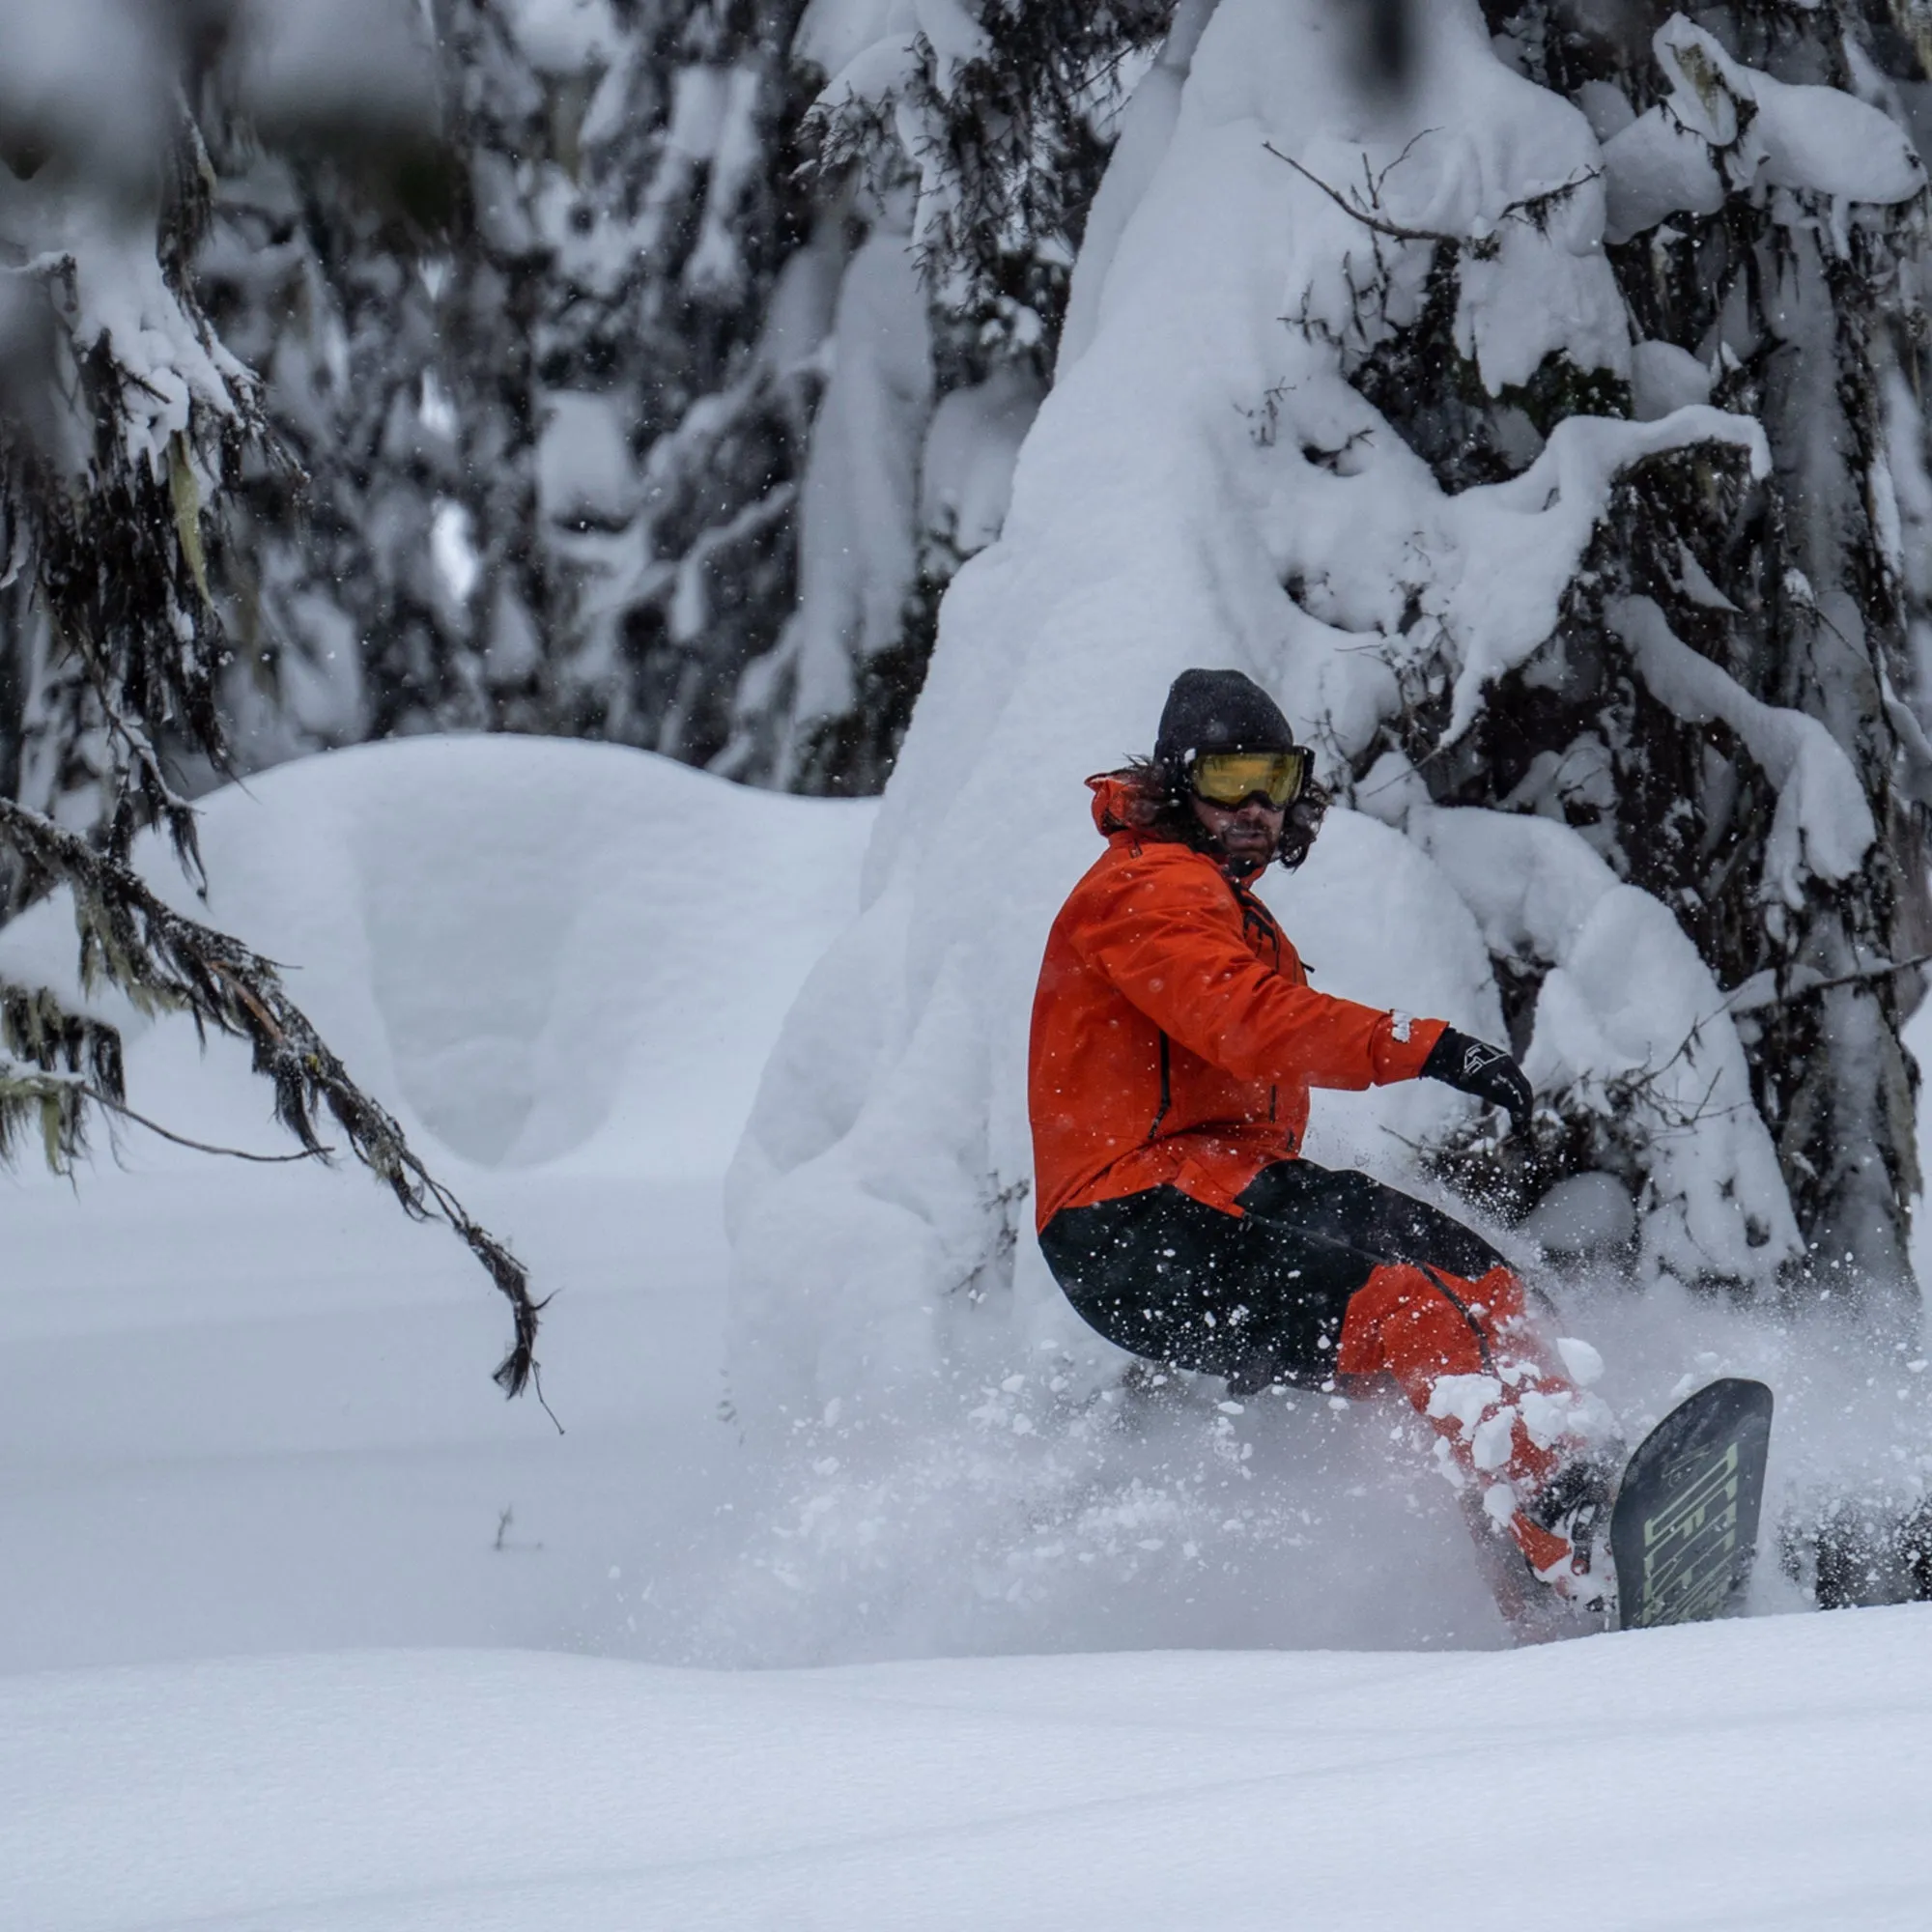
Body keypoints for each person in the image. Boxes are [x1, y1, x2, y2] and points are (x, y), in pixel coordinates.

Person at [1028, 668, 1617, 1615]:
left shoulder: (1220, 899)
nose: (1256, 805)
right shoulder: (1145, 891)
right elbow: (1247, 1021)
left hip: (1222, 1179)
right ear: (1179, 784)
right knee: (1420, 1301)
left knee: (1480, 1282)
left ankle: (1545, 1540)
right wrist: (1422, 1045)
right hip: (1133, 1218)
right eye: (1227, 780)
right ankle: (1573, 1552)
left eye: (1274, 776)